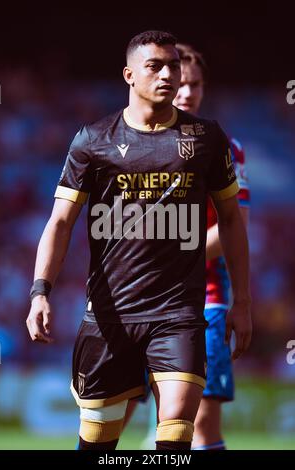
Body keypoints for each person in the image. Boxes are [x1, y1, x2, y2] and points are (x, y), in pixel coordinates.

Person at [26, 30, 252, 451]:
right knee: (98, 446)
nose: (169, 74)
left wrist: (242, 301)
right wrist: (41, 292)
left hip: (180, 314)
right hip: (110, 315)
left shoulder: (207, 139)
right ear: (129, 75)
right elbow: (60, 222)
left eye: (173, 66)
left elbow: (234, 221)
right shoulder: (93, 141)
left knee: (179, 430)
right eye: (156, 66)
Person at [124, 44, 251, 451]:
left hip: (205, 303)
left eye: (195, 84)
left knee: (200, 429)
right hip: (137, 303)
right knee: (108, 418)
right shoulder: (130, 145)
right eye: (180, 82)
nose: (187, 91)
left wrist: (172, 257)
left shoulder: (225, 149)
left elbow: (235, 227)